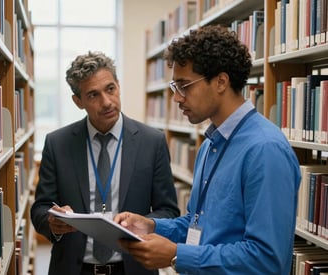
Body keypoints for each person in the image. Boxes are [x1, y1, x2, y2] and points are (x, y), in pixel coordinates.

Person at [114, 24, 301, 275]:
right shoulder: (210, 145)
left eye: (184, 86)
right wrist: (151, 227)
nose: (177, 98)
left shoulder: (265, 150)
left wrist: (176, 255)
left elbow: (266, 259)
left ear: (221, 82)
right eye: (174, 87)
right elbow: (197, 225)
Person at [30, 51, 180, 275]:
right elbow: (40, 208)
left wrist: (142, 223)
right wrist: (52, 222)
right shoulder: (57, 143)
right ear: (78, 101)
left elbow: (168, 211)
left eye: (110, 89)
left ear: (118, 85)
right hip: (74, 269)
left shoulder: (152, 142)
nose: (107, 102)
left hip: (132, 268)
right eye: (93, 95)